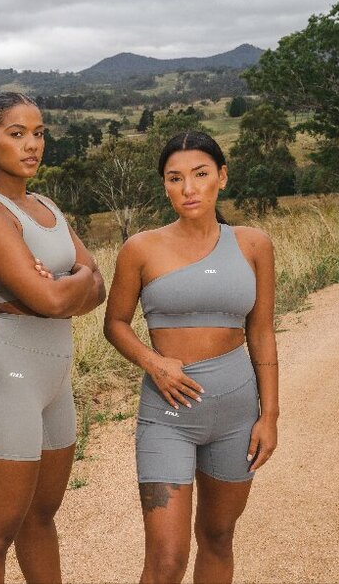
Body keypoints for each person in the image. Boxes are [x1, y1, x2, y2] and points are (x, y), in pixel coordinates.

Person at [103, 131, 278, 583]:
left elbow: (260, 333)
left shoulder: (253, 244)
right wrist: (153, 361)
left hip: (238, 416)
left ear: (221, 176)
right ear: (164, 185)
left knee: (218, 536)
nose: (189, 188)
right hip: (167, 416)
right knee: (166, 560)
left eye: (200, 175)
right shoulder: (140, 248)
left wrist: (270, 416)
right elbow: (115, 324)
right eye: (175, 178)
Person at [0, 92, 106, 583]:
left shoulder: (46, 206)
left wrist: (64, 283)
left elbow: (97, 287)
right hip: (7, 380)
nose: (31, 145)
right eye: (16, 134)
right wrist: (68, 283)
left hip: (54, 382)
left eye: (38, 133)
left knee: (41, 520)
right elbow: (58, 303)